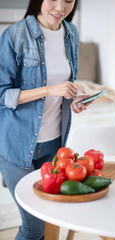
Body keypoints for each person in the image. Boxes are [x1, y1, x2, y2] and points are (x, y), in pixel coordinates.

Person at [0, 0, 93, 239]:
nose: (60, 8)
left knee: (51, 219)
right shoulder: (14, 35)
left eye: (69, 1)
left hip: (55, 146)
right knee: (34, 227)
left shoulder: (71, 32)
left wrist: (74, 97)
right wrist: (50, 90)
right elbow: (3, 95)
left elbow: (66, 83)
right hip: (16, 146)